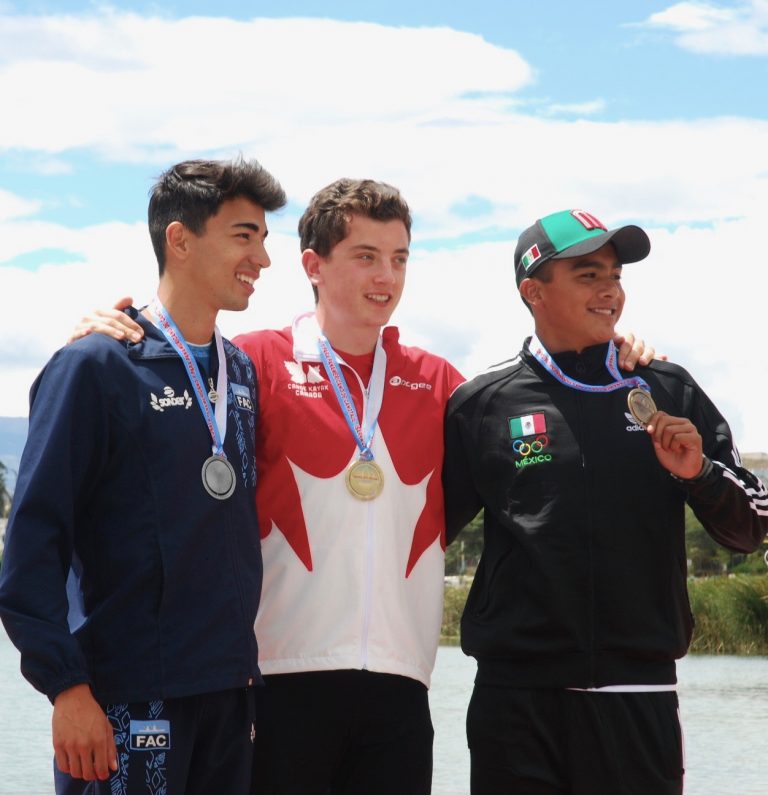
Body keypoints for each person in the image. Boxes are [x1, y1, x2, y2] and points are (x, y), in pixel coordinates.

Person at [67, 185, 656, 794]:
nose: (387, 276)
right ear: (313, 265)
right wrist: (106, 334)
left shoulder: (441, 384)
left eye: (399, 259)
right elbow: (160, 388)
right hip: (275, 681)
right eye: (366, 256)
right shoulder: (252, 363)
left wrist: (611, 355)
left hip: (400, 691)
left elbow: (545, 424)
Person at [442, 208, 768, 795]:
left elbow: (750, 529)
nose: (610, 290)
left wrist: (699, 473)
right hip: (515, 700)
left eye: (615, 275)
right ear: (533, 291)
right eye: (588, 275)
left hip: (636, 695)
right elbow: (422, 533)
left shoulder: (667, 388)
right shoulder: (481, 403)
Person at [0, 158, 287, 794]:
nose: (263, 259)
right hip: (125, 700)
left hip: (230, 695)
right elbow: (32, 548)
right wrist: (66, 688)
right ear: (179, 239)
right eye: (244, 236)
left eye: (264, 239)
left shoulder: (239, 372)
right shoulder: (96, 365)